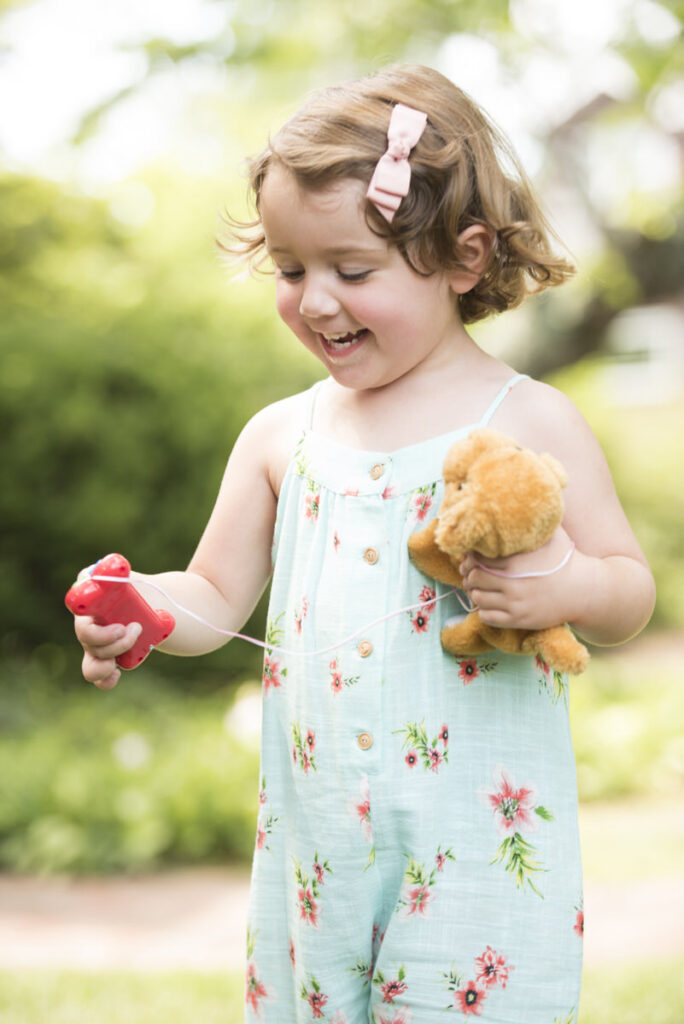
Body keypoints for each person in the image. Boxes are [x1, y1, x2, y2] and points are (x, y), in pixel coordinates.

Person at [74, 64, 655, 1023]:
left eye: (353, 271)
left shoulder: (530, 420)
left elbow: (629, 591)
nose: (316, 301)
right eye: (293, 270)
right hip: (317, 859)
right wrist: (142, 609)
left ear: (464, 258)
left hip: (473, 855)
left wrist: (566, 587)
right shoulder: (282, 437)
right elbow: (216, 598)